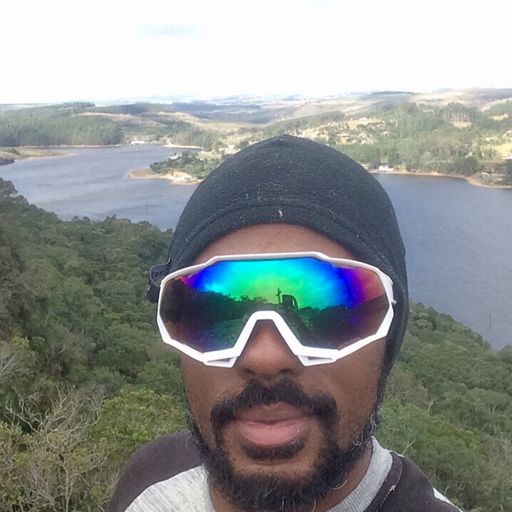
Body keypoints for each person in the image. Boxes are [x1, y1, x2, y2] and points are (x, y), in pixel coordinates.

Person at [108, 135, 461, 512]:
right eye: (209, 313)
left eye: (329, 304)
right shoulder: (148, 479)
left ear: (389, 339)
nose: (267, 357)